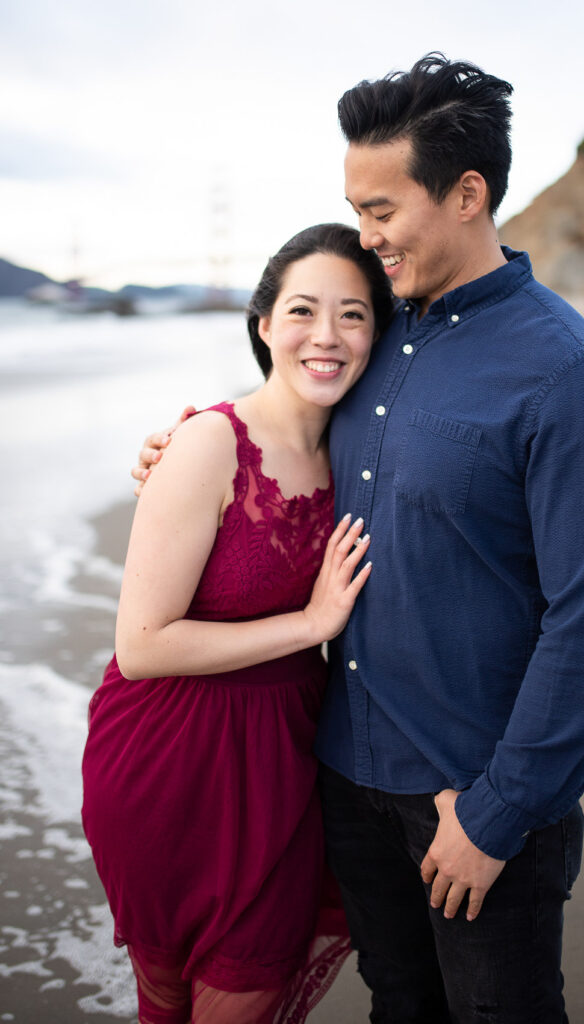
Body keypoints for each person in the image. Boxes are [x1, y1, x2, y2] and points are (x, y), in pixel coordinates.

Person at [135, 55, 584, 1024]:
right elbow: (276, 433)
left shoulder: (566, 375)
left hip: (471, 794)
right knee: (398, 1008)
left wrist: (499, 813)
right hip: (343, 778)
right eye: (354, 210)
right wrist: (178, 446)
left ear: (466, 194)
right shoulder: (370, 341)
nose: (365, 235)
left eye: (380, 210)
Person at [82, 223, 395, 1024]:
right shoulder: (207, 443)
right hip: (166, 759)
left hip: (284, 767)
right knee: (167, 1000)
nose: (326, 336)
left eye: (354, 315)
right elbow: (142, 647)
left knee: (244, 990)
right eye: (302, 310)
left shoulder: (366, 454)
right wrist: (311, 621)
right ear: (263, 325)